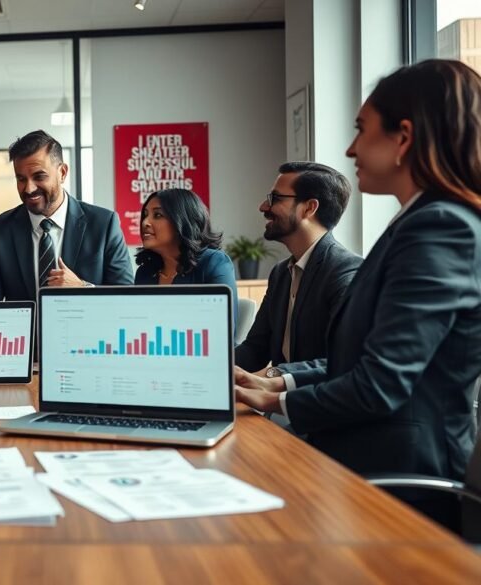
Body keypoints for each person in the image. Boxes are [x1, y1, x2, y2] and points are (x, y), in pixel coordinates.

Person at [233, 59, 481, 527]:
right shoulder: (415, 224)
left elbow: (382, 384)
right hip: (361, 461)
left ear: (403, 138)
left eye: (361, 130)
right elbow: (359, 364)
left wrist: (278, 400)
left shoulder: (440, 228)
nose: (349, 148)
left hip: (400, 486)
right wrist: (275, 385)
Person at [0, 130, 134, 301]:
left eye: (39, 176)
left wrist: (83, 288)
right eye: (21, 179)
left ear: (62, 172)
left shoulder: (103, 224)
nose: (29, 188)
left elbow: (126, 298)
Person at [234, 162, 362, 373]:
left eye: (274, 198)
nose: (263, 207)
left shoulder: (347, 272)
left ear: (309, 208)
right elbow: (256, 350)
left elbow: (343, 361)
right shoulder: (280, 274)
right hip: (278, 403)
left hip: (315, 403)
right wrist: (205, 366)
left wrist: (273, 375)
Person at [132, 188, 238, 324]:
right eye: (145, 215)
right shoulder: (145, 272)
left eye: (157, 215)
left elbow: (223, 331)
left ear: (182, 220)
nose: (145, 222)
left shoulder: (214, 263)